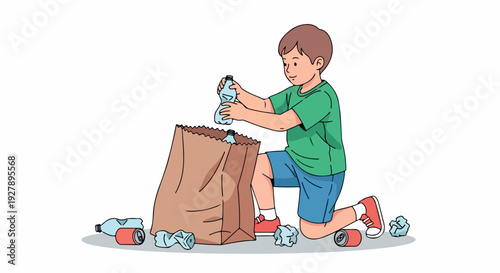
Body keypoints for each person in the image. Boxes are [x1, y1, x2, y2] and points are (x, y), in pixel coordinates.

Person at [218, 24, 384, 239]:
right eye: (285, 63)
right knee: (256, 165)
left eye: (295, 63)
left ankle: (363, 209)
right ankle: (269, 220)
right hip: (295, 160)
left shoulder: (322, 97)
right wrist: (239, 93)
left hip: (323, 172)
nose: (289, 70)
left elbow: (281, 123)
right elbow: (267, 105)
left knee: (311, 231)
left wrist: (242, 114)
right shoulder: (295, 92)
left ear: (318, 64)